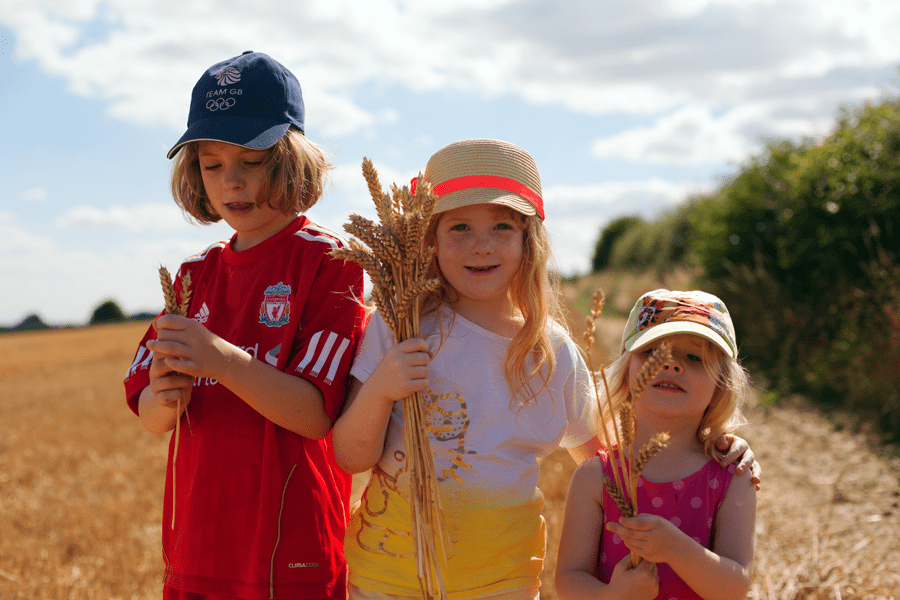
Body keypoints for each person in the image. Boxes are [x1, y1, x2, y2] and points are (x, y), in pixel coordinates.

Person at [331, 140, 757, 600]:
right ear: (429, 239)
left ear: (527, 241)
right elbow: (351, 456)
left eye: (502, 226)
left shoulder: (549, 353)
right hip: (387, 578)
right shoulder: (399, 327)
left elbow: (611, 459)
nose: (482, 244)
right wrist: (380, 389)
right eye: (459, 227)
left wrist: (715, 445)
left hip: (502, 582)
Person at [123, 51, 366, 600]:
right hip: (199, 552)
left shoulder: (329, 263)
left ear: (293, 158)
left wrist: (221, 359)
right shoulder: (191, 279)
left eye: (251, 159)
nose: (231, 181)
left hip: (290, 555)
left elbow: (315, 413)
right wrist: (166, 395)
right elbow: (151, 416)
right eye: (212, 165)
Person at [555, 289, 757, 600]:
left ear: (721, 386)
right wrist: (613, 596)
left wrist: (676, 549)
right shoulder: (595, 477)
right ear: (625, 375)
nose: (673, 364)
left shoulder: (731, 476)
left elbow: (736, 586)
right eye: (652, 352)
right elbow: (569, 580)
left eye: (694, 357)